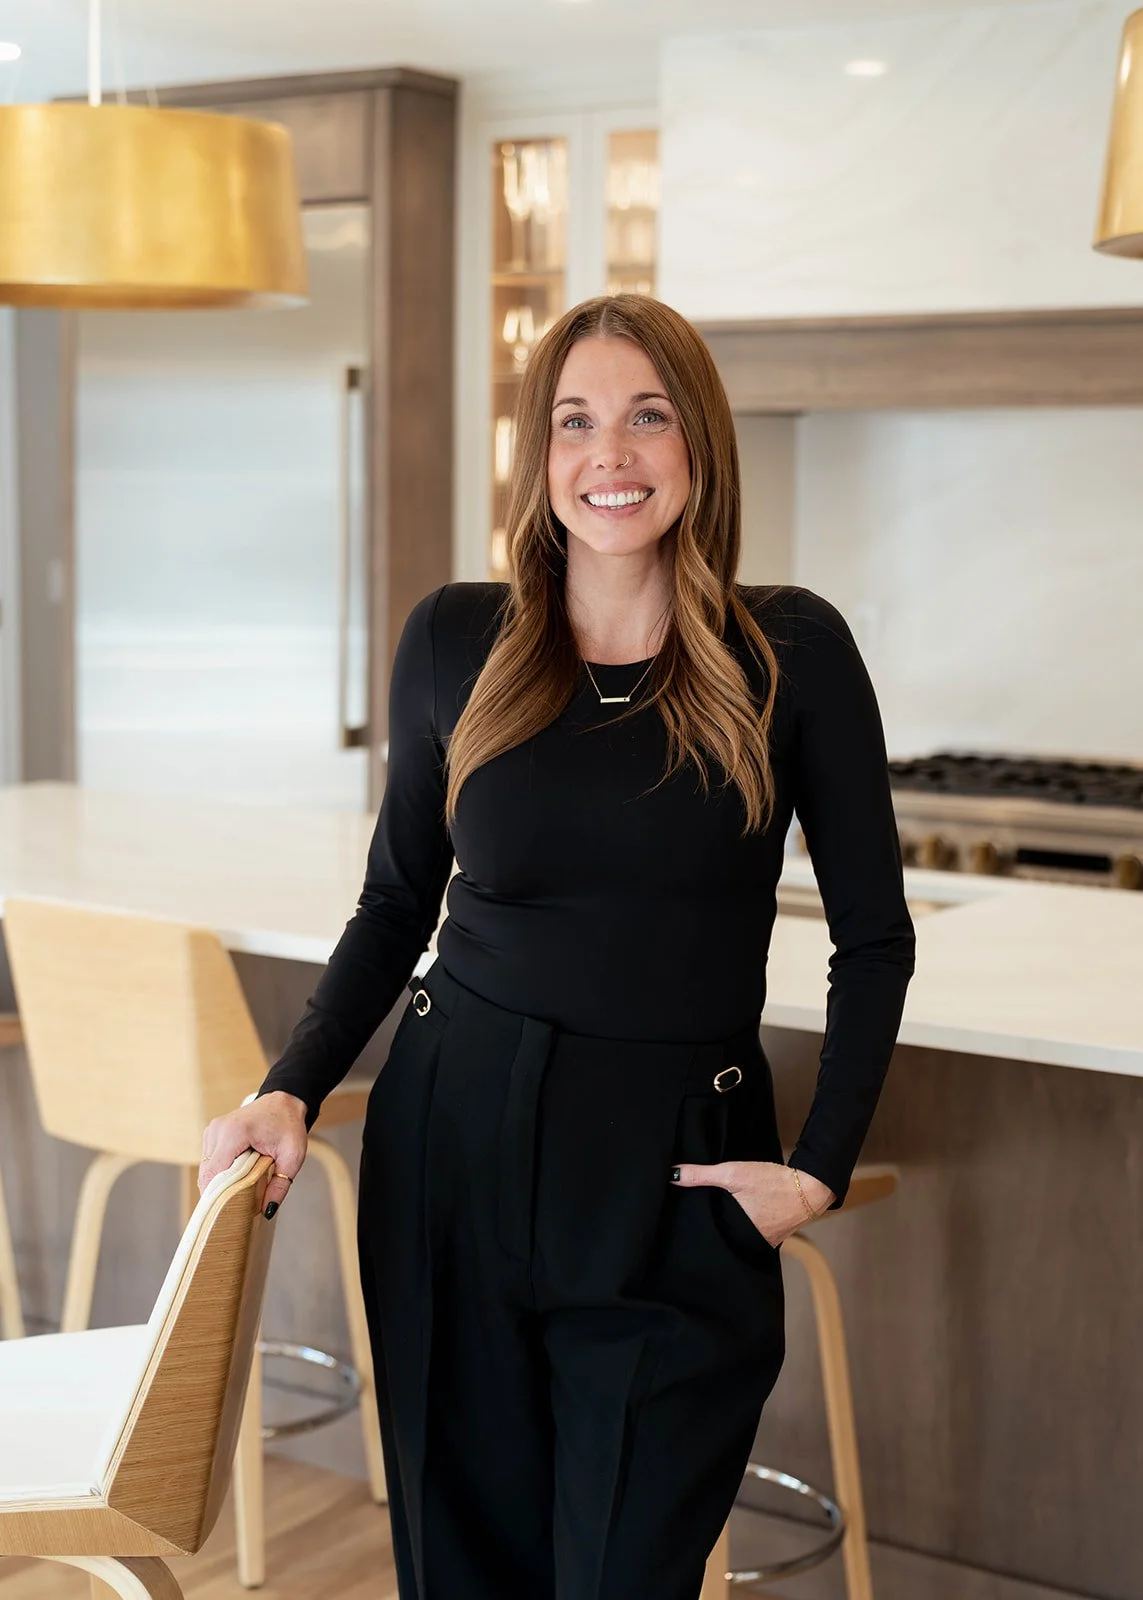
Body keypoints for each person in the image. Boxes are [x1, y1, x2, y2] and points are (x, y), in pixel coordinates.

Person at [199, 293, 916, 1600]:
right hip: (450, 1138)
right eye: (574, 423)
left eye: (647, 417)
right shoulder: (455, 641)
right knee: (458, 1560)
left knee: (621, 1569)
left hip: (670, 1170)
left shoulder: (790, 652)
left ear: (698, 444)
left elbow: (872, 939)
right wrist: (288, 1085)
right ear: (537, 460)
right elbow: (396, 899)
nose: (611, 455)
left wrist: (814, 1172)